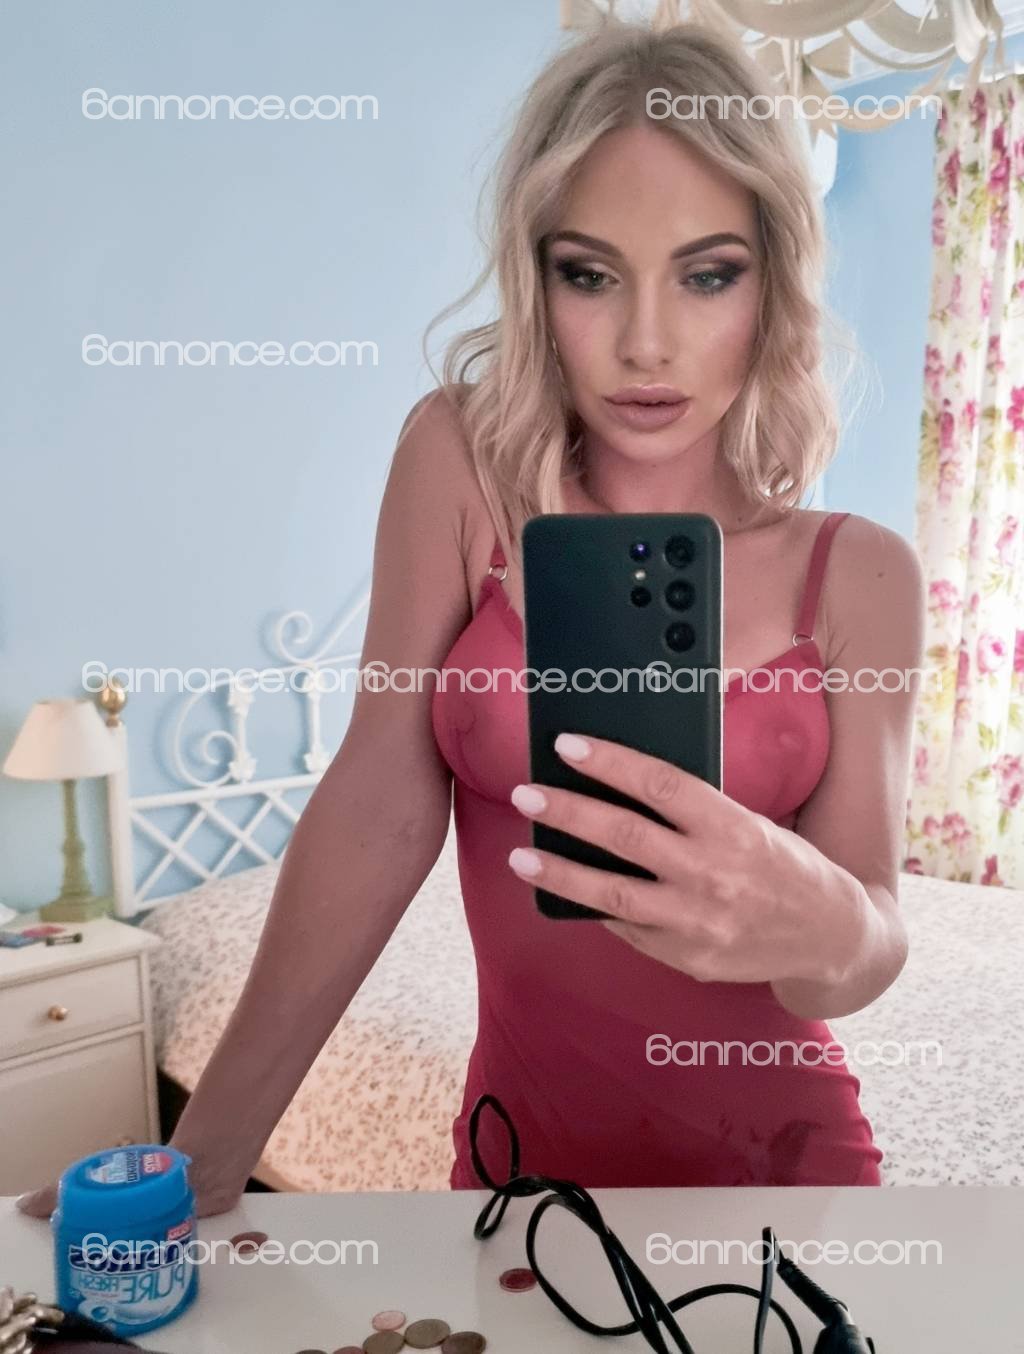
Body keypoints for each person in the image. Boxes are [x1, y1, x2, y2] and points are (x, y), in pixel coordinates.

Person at [18, 18, 924, 1218]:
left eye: (708, 274)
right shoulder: (461, 465)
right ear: (534, 277)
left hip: (783, 1175)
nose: (645, 342)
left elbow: (860, 950)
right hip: (518, 1168)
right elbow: (379, 808)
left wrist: (824, 921)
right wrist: (213, 1151)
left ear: (774, 283)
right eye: (589, 273)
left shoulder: (861, 577)